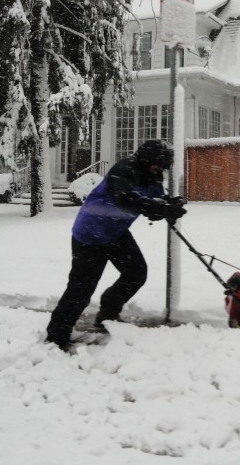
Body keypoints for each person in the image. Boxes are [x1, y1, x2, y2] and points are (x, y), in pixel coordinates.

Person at [46, 139, 187, 351]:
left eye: (164, 166)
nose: (161, 169)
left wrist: (169, 205)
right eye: (159, 163)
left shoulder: (153, 175)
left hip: (115, 232)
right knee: (81, 289)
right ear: (148, 158)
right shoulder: (125, 169)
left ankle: (108, 314)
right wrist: (155, 207)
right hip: (91, 234)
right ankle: (57, 335)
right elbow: (126, 198)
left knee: (136, 273)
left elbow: (155, 199)